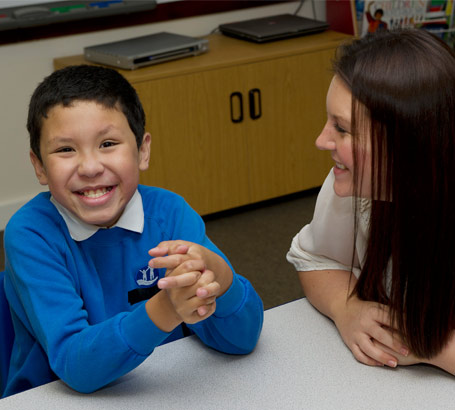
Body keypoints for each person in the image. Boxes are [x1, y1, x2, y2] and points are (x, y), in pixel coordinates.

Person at [2, 65, 264, 397]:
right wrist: (165, 310)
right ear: (39, 165)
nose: (91, 167)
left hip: (162, 387)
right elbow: (76, 367)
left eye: (108, 143)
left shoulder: (170, 214)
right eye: (66, 149)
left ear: (142, 150)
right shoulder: (31, 235)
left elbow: (242, 339)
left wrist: (223, 280)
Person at [287, 29, 455, 374]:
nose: (321, 140)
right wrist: (345, 308)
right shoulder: (356, 185)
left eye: (342, 129)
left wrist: (426, 347)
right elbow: (315, 258)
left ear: (406, 144)